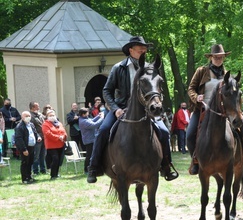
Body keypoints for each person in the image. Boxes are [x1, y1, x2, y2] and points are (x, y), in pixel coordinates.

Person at [86, 36, 178, 183]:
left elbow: (157, 88)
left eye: (145, 48)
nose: (143, 50)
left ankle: (166, 166)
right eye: (139, 47)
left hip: (147, 110)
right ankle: (94, 166)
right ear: (130, 50)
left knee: (165, 132)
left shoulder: (151, 68)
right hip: (121, 109)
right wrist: (115, 109)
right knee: (103, 130)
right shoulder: (118, 68)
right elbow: (107, 91)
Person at [186, 44, 243, 175]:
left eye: (221, 57)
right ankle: (195, 161)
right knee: (189, 135)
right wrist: (196, 97)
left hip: (223, 110)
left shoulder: (227, 74)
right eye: (216, 57)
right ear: (211, 57)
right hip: (202, 109)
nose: (218, 59)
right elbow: (191, 88)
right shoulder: (201, 71)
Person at [15, 111, 42, 184]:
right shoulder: (20, 126)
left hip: (32, 146)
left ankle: (29, 176)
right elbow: (19, 139)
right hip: (25, 147)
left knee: (30, 162)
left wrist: (38, 137)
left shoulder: (31, 124)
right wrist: (24, 149)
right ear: (22, 117)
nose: (28, 117)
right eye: (26, 116)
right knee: (25, 162)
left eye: (29, 116)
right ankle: (24, 179)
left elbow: (35, 133)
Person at [42, 109, 67, 179]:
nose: (52, 116)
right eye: (50, 115)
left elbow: (63, 131)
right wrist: (58, 137)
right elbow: (48, 134)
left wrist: (63, 136)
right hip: (51, 145)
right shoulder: (45, 124)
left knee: (59, 160)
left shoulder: (59, 123)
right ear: (47, 116)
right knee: (55, 159)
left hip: (60, 144)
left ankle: (57, 173)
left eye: (53, 115)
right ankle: (53, 175)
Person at [78, 107, 104, 174]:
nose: (88, 113)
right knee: (89, 155)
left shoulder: (85, 119)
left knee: (91, 155)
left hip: (91, 139)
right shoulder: (83, 121)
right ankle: (86, 170)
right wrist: (102, 118)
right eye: (87, 112)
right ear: (83, 114)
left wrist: (98, 116)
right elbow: (94, 125)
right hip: (89, 141)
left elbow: (92, 120)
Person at [29, 102, 46, 175]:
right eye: (37, 106)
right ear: (33, 108)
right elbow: (32, 128)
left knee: (43, 155)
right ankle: (35, 171)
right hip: (37, 138)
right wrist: (37, 136)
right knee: (36, 155)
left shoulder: (40, 115)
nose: (39, 108)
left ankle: (43, 170)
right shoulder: (30, 116)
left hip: (44, 137)